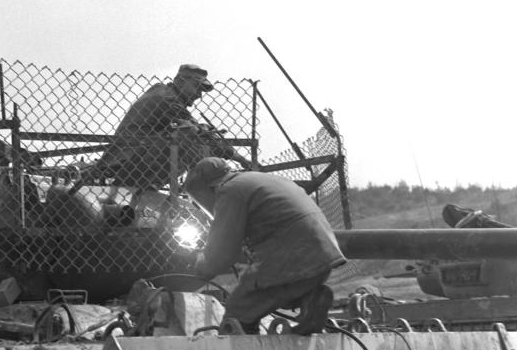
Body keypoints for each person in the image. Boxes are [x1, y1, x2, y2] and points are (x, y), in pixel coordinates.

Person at [184, 157, 346, 334]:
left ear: (209, 187)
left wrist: (202, 265)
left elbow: (222, 254)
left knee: (238, 311)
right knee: (271, 297)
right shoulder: (257, 180)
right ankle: (310, 299)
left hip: (293, 258)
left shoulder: (229, 191)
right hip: (322, 255)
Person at [84, 64, 250, 191]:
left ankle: (152, 186)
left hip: (132, 155)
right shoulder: (166, 99)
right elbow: (194, 131)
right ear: (180, 81)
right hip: (129, 158)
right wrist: (241, 159)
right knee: (191, 138)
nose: (199, 95)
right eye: (196, 87)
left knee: (195, 133)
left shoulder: (164, 94)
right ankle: (209, 188)